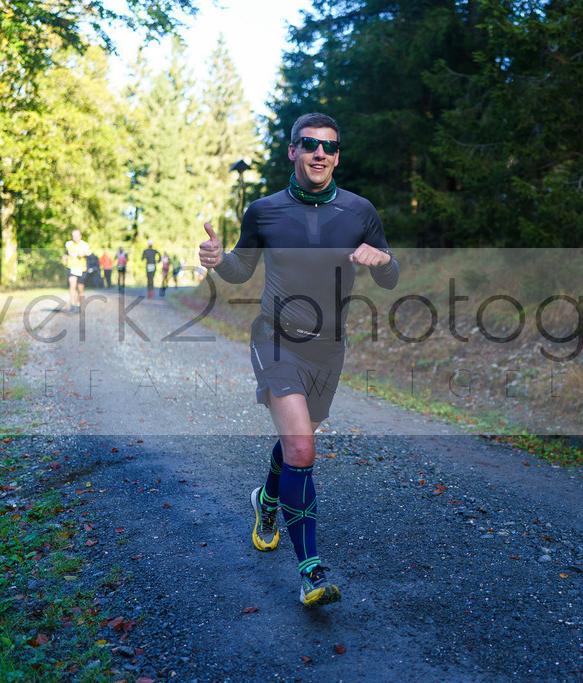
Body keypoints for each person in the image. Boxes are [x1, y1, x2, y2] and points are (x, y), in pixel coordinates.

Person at [198, 113, 399, 608]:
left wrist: (384, 262)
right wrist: (219, 258)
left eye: (329, 147)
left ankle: (266, 501)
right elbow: (242, 268)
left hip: (329, 346)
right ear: (292, 151)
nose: (319, 154)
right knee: (303, 450)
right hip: (275, 338)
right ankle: (311, 571)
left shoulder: (360, 211)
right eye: (309, 144)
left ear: (337, 155)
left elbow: (390, 276)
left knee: (295, 444)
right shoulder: (265, 211)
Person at [63, 229, 91, 314]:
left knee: (80, 289)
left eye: (77, 236)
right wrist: (65, 257)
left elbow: (89, 254)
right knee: (72, 285)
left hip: (81, 269)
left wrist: (84, 254)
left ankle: (79, 305)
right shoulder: (68, 244)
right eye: (73, 236)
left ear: (80, 236)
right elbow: (66, 253)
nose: (75, 238)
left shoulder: (84, 244)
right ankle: (72, 305)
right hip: (71, 267)